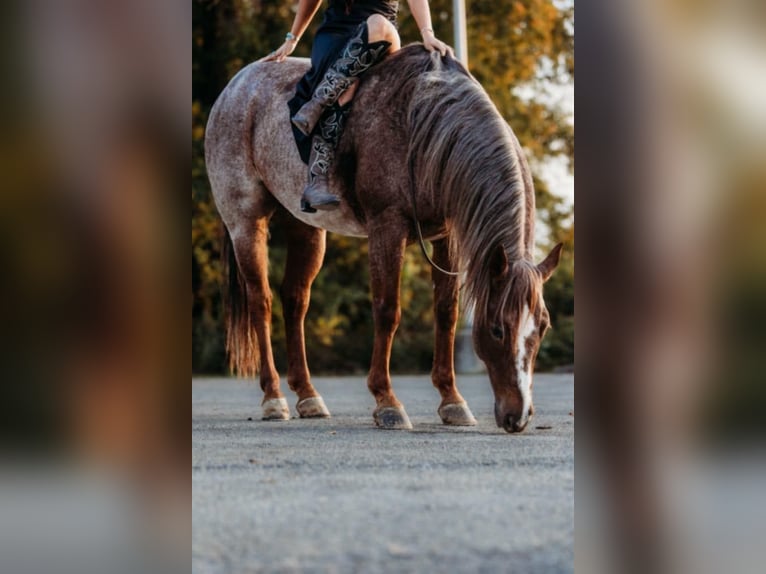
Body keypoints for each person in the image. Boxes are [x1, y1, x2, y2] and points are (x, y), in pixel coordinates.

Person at [260, 0, 454, 213]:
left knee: (379, 24)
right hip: (334, 36)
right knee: (348, 86)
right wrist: (292, 38)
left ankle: (318, 102)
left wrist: (427, 33)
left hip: (381, 38)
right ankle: (317, 180)